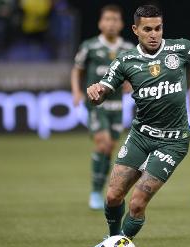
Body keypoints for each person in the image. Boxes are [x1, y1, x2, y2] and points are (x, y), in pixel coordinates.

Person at [86, 5, 190, 247]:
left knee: (137, 203)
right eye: (147, 29)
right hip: (140, 136)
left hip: (173, 141)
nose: (154, 34)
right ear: (135, 30)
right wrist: (95, 93)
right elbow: (103, 91)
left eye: (158, 28)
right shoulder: (126, 60)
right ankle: (114, 243)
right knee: (113, 196)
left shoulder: (180, 49)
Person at [71, 4, 134, 210]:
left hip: (116, 106)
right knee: (103, 143)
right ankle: (96, 191)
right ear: (100, 23)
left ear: (121, 24)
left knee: (109, 149)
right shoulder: (89, 46)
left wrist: (130, 83)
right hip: (96, 104)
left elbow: (134, 73)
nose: (111, 23)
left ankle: (100, 187)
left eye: (115, 20)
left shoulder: (127, 49)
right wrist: (77, 91)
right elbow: (77, 69)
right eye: (107, 19)